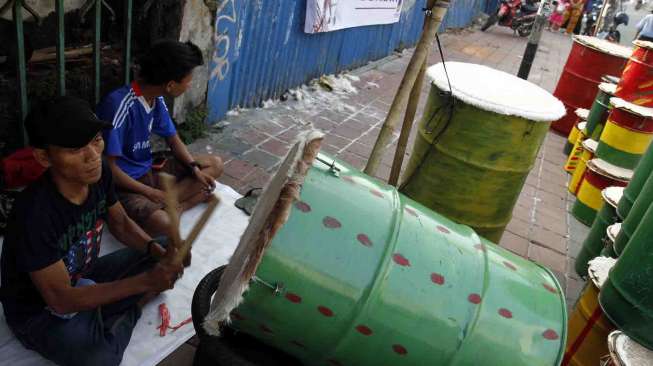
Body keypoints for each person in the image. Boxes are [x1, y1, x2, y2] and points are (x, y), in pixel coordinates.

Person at [0, 96, 184, 366]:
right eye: (75, 150)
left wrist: (155, 251)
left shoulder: (98, 175)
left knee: (163, 248)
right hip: (39, 310)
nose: (93, 156)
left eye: (96, 140)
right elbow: (61, 300)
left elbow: (120, 224)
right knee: (100, 359)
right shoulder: (34, 214)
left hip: (84, 274)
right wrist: (144, 284)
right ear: (43, 156)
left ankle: (105, 308)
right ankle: (129, 308)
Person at [97, 40, 223, 238]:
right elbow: (108, 168)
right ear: (171, 85)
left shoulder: (156, 99)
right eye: (188, 80)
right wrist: (150, 192)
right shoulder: (118, 104)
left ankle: (177, 206)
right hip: (125, 186)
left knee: (214, 164)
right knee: (164, 224)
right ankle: (176, 204)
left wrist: (193, 169)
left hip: (149, 171)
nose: (189, 85)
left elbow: (173, 140)